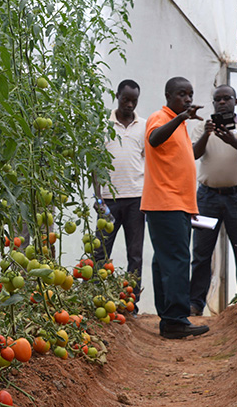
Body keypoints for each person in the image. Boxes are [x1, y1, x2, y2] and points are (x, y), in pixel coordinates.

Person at [141, 76, 209, 339]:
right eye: (182, 94)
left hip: (175, 204)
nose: (188, 99)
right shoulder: (159, 117)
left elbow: (189, 155)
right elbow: (155, 139)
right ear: (168, 95)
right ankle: (176, 319)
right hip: (165, 203)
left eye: (191, 94)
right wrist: (180, 118)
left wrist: (204, 132)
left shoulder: (179, 125)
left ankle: (169, 319)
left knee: (165, 262)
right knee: (178, 261)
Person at [188, 85, 237, 316]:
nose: (223, 102)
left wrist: (230, 140)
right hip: (207, 198)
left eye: (227, 98)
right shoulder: (201, 127)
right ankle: (195, 304)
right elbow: (194, 154)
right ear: (213, 102)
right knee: (201, 251)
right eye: (218, 99)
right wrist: (208, 134)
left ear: (236, 101)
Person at [93, 79, 146, 312]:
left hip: (136, 199)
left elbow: (148, 161)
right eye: (126, 99)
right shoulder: (103, 125)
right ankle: (95, 297)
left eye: (134, 100)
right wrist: (98, 198)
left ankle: (130, 304)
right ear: (117, 96)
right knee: (100, 250)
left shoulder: (144, 126)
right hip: (109, 200)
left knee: (135, 254)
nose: (130, 104)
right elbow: (94, 164)